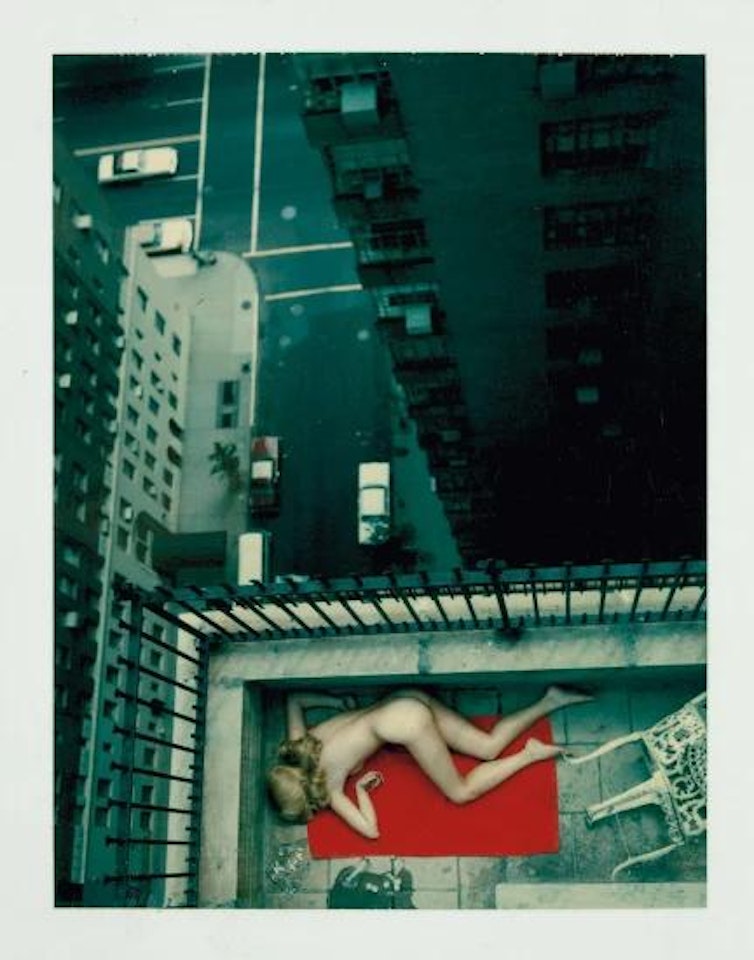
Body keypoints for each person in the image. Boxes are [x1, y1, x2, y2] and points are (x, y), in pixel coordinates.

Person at [266, 686, 593, 839]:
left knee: (461, 792)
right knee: (488, 746)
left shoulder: (332, 790)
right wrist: (336, 701)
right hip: (404, 696)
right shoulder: (299, 743)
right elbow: (294, 699)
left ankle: (529, 755)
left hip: (407, 722)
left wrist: (362, 791)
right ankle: (550, 700)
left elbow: (371, 831)